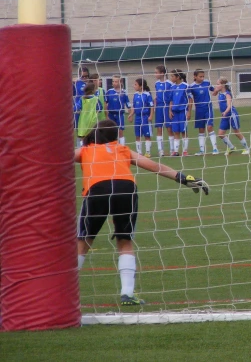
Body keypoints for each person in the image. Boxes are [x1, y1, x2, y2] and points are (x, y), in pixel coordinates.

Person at [76, 119, 209, 306]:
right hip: (126, 188)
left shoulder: (85, 150)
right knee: (125, 241)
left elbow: (59, 159)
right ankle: (127, 294)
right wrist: (183, 178)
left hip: (97, 190)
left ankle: (65, 292)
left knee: (84, 241)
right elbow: (155, 166)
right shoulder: (122, 149)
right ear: (117, 135)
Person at [212, 77, 250, 155]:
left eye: (218, 84)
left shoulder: (227, 94)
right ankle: (231, 147)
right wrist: (216, 89)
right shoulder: (220, 93)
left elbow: (229, 106)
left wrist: (225, 112)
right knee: (220, 134)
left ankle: (247, 149)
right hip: (225, 116)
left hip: (232, 115)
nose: (216, 85)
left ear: (223, 85)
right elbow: (213, 94)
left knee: (236, 132)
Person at [190, 69, 219, 155]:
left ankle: (215, 148)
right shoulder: (191, 86)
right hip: (198, 109)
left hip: (208, 107)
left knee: (209, 127)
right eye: (200, 76)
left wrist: (216, 91)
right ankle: (202, 150)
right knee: (201, 129)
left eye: (203, 76)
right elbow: (189, 98)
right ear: (195, 76)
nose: (202, 78)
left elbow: (214, 90)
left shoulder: (207, 83)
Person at [128, 78, 154, 157]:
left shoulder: (147, 94)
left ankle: (148, 152)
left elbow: (151, 106)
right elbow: (134, 107)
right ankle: (139, 152)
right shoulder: (135, 95)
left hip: (145, 117)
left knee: (147, 135)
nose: (134, 86)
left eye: (135, 84)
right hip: (137, 118)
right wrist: (131, 115)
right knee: (137, 135)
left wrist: (151, 115)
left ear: (141, 86)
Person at [168, 69, 191, 156]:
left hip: (183, 111)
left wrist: (189, 111)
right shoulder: (172, 87)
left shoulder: (185, 86)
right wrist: (170, 110)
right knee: (176, 131)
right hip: (174, 112)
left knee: (184, 131)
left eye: (172, 76)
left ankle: (185, 151)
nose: (171, 78)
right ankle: (176, 151)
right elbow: (171, 100)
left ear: (178, 77)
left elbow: (190, 99)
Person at [153, 65, 173, 157]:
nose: (155, 74)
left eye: (156, 72)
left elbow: (171, 98)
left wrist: (170, 109)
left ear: (162, 73)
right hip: (159, 108)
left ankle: (172, 149)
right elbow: (157, 96)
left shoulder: (169, 84)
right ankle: (161, 150)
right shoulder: (156, 84)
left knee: (169, 128)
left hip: (167, 106)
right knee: (159, 128)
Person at [106, 75, 131, 146]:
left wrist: (130, 114)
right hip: (111, 114)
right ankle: (111, 147)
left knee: (120, 131)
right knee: (110, 132)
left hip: (120, 114)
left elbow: (128, 104)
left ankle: (122, 147)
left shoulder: (123, 92)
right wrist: (106, 114)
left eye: (116, 81)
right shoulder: (109, 92)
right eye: (113, 81)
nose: (114, 83)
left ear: (120, 82)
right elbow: (105, 103)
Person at [77, 82, 103, 147]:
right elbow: (100, 108)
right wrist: (96, 112)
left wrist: (78, 111)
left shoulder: (82, 99)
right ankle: (92, 149)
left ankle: (83, 148)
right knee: (92, 136)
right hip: (93, 119)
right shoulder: (96, 99)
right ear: (92, 90)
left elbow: (77, 107)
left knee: (82, 136)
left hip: (83, 120)